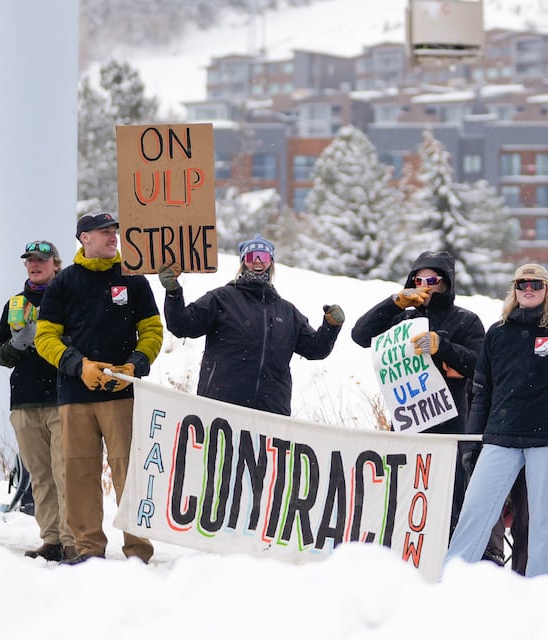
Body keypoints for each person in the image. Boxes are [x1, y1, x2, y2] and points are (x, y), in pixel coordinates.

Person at [443, 263, 548, 578]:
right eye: (522, 283)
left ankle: (540, 585)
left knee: (541, 520)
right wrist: (472, 443)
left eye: (536, 284)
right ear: (514, 289)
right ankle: (453, 577)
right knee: (476, 510)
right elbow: (481, 395)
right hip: (501, 437)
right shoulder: (497, 334)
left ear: (546, 290)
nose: (529, 289)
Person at [34, 211, 163, 564]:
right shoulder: (64, 283)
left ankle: (138, 548)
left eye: (114, 231)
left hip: (121, 394)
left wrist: (134, 364)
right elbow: (45, 337)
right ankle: (88, 548)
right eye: (103, 232)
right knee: (79, 472)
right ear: (83, 238)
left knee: (128, 472)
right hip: (75, 395)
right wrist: (79, 366)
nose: (112, 237)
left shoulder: (133, 278)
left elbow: (152, 331)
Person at [351, 251, 484, 526]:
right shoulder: (402, 319)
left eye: (432, 279)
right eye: (418, 280)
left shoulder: (466, 320)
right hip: (406, 427)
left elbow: (482, 365)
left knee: (447, 507)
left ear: (446, 283)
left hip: (448, 431)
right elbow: (360, 335)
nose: (424, 285)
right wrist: (394, 303)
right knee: (400, 504)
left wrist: (444, 347)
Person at [158, 233, 343, 415]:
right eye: (250, 257)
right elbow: (182, 325)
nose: (257, 262)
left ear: (271, 262)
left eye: (262, 257)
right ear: (242, 262)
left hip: (271, 415)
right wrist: (173, 292)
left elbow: (315, 350)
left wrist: (330, 327)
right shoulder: (222, 299)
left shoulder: (287, 312)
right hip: (220, 410)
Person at [0, 240, 75, 562]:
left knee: (64, 471)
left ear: (56, 264)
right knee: (40, 475)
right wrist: (18, 343)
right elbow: (0, 355)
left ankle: (71, 540)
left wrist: (51, 338)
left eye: (41, 260)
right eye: (29, 260)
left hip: (62, 398)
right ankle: (51, 539)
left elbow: (83, 342)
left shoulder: (69, 298)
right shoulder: (16, 303)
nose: (34, 264)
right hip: (24, 401)